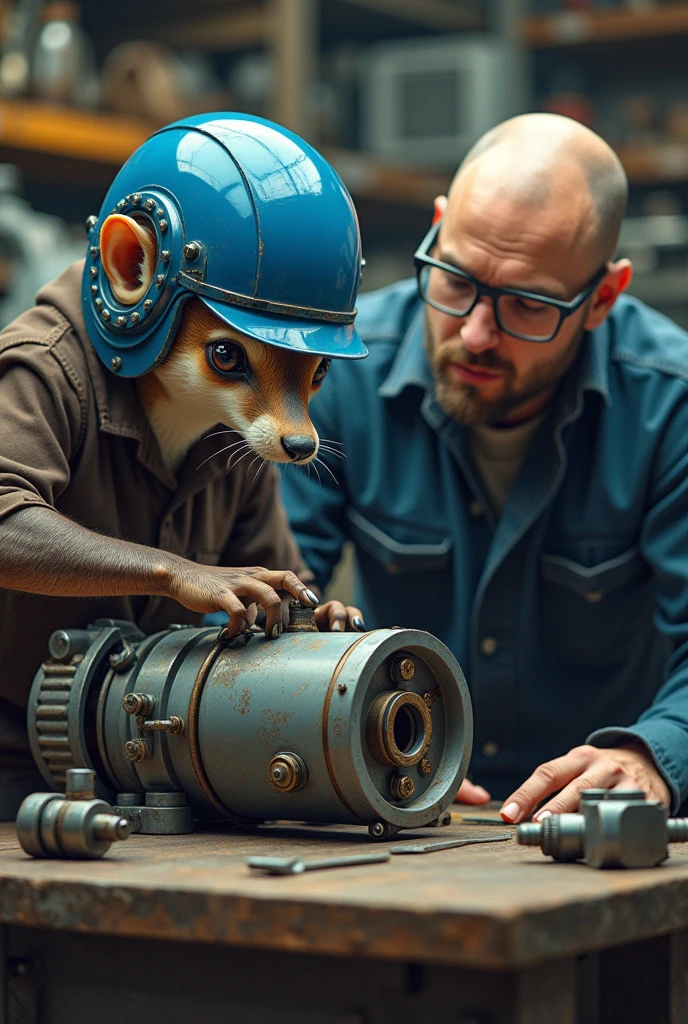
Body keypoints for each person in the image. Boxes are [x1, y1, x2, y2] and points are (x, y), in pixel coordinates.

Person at [281, 112, 688, 824]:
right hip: (391, 796)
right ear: (438, 228)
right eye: (456, 278)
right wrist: (354, 743)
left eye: (526, 304)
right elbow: (273, 591)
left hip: (594, 819)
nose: (473, 333)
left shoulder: (670, 406)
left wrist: (654, 754)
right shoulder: (337, 374)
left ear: (602, 297)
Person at [0, 112, 365, 816]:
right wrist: (173, 572)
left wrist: (313, 631)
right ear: (133, 273)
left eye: (312, 374)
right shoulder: (44, 372)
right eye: (231, 358)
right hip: (12, 777)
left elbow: (267, 585)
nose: (293, 432)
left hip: (149, 770)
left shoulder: (236, 438)